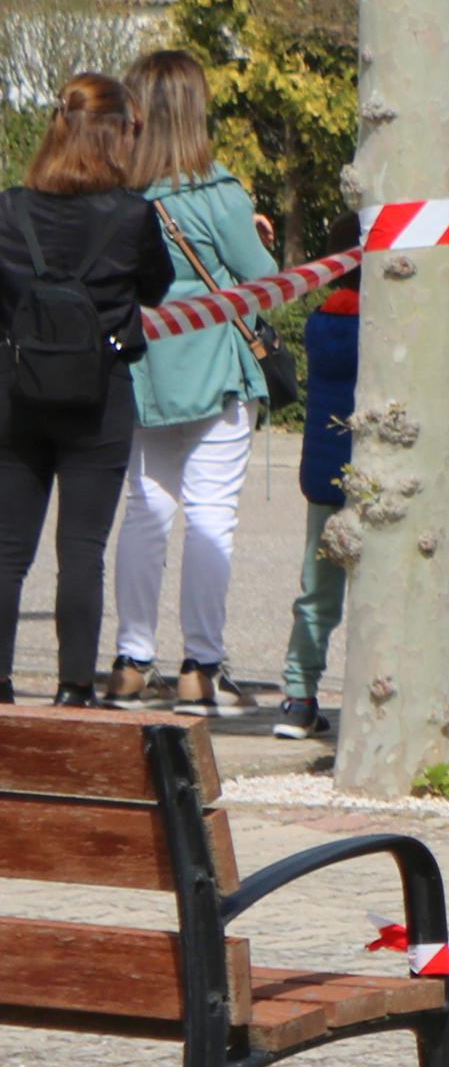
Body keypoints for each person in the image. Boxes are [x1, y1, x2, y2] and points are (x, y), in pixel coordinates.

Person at [111, 48, 276, 712]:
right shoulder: (219, 192)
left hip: (142, 369)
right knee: (212, 514)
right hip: (215, 368)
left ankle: (130, 659)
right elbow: (265, 281)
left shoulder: (119, 194)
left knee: (145, 511)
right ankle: (200, 667)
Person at [0, 76, 172, 704]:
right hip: (99, 395)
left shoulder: (9, 208)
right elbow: (154, 289)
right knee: (81, 550)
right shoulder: (133, 214)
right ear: (117, 133)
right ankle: (74, 688)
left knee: (7, 549)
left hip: (15, 393)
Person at [270, 257, 356, 743]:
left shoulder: (322, 323)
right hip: (377, 474)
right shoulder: (389, 323)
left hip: (325, 474)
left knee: (317, 592)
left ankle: (298, 696)